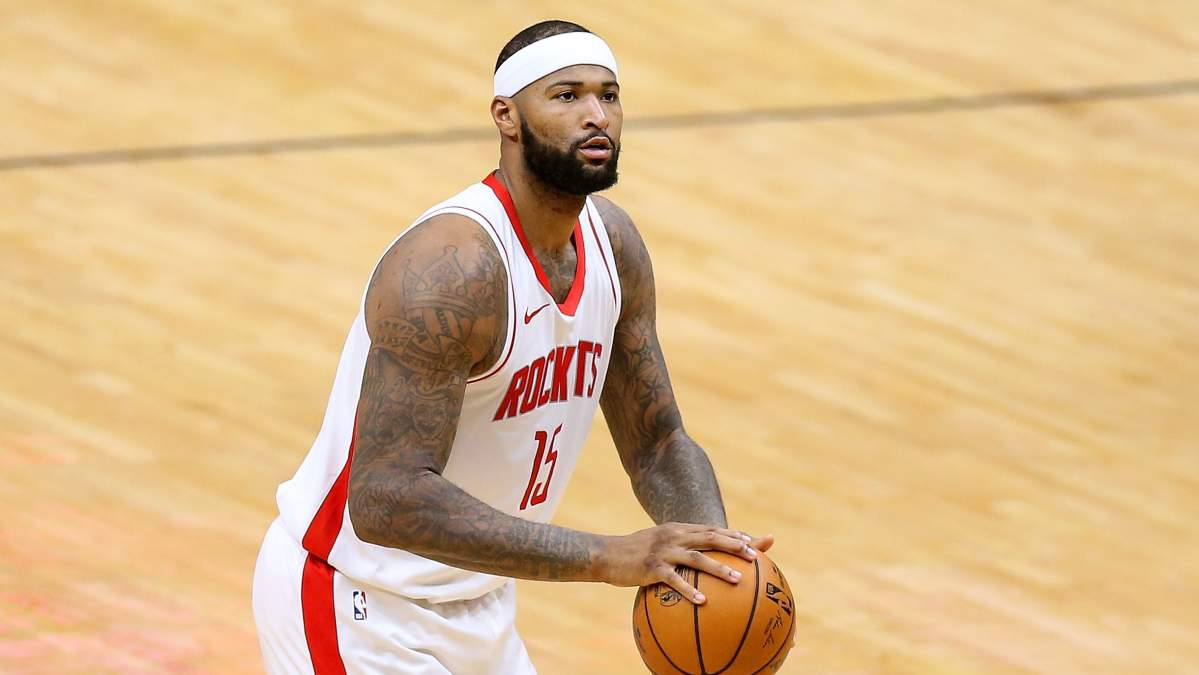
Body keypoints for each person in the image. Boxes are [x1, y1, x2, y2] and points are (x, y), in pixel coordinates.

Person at [252, 19, 773, 674]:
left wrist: (715, 554)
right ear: (506, 116)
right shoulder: (450, 269)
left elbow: (658, 443)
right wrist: (605, 556)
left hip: (481, 603)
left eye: (609, 96)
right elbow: (387, 496)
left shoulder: (613, 248)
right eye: (567, 96)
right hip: (356, 602)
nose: (596, 116)